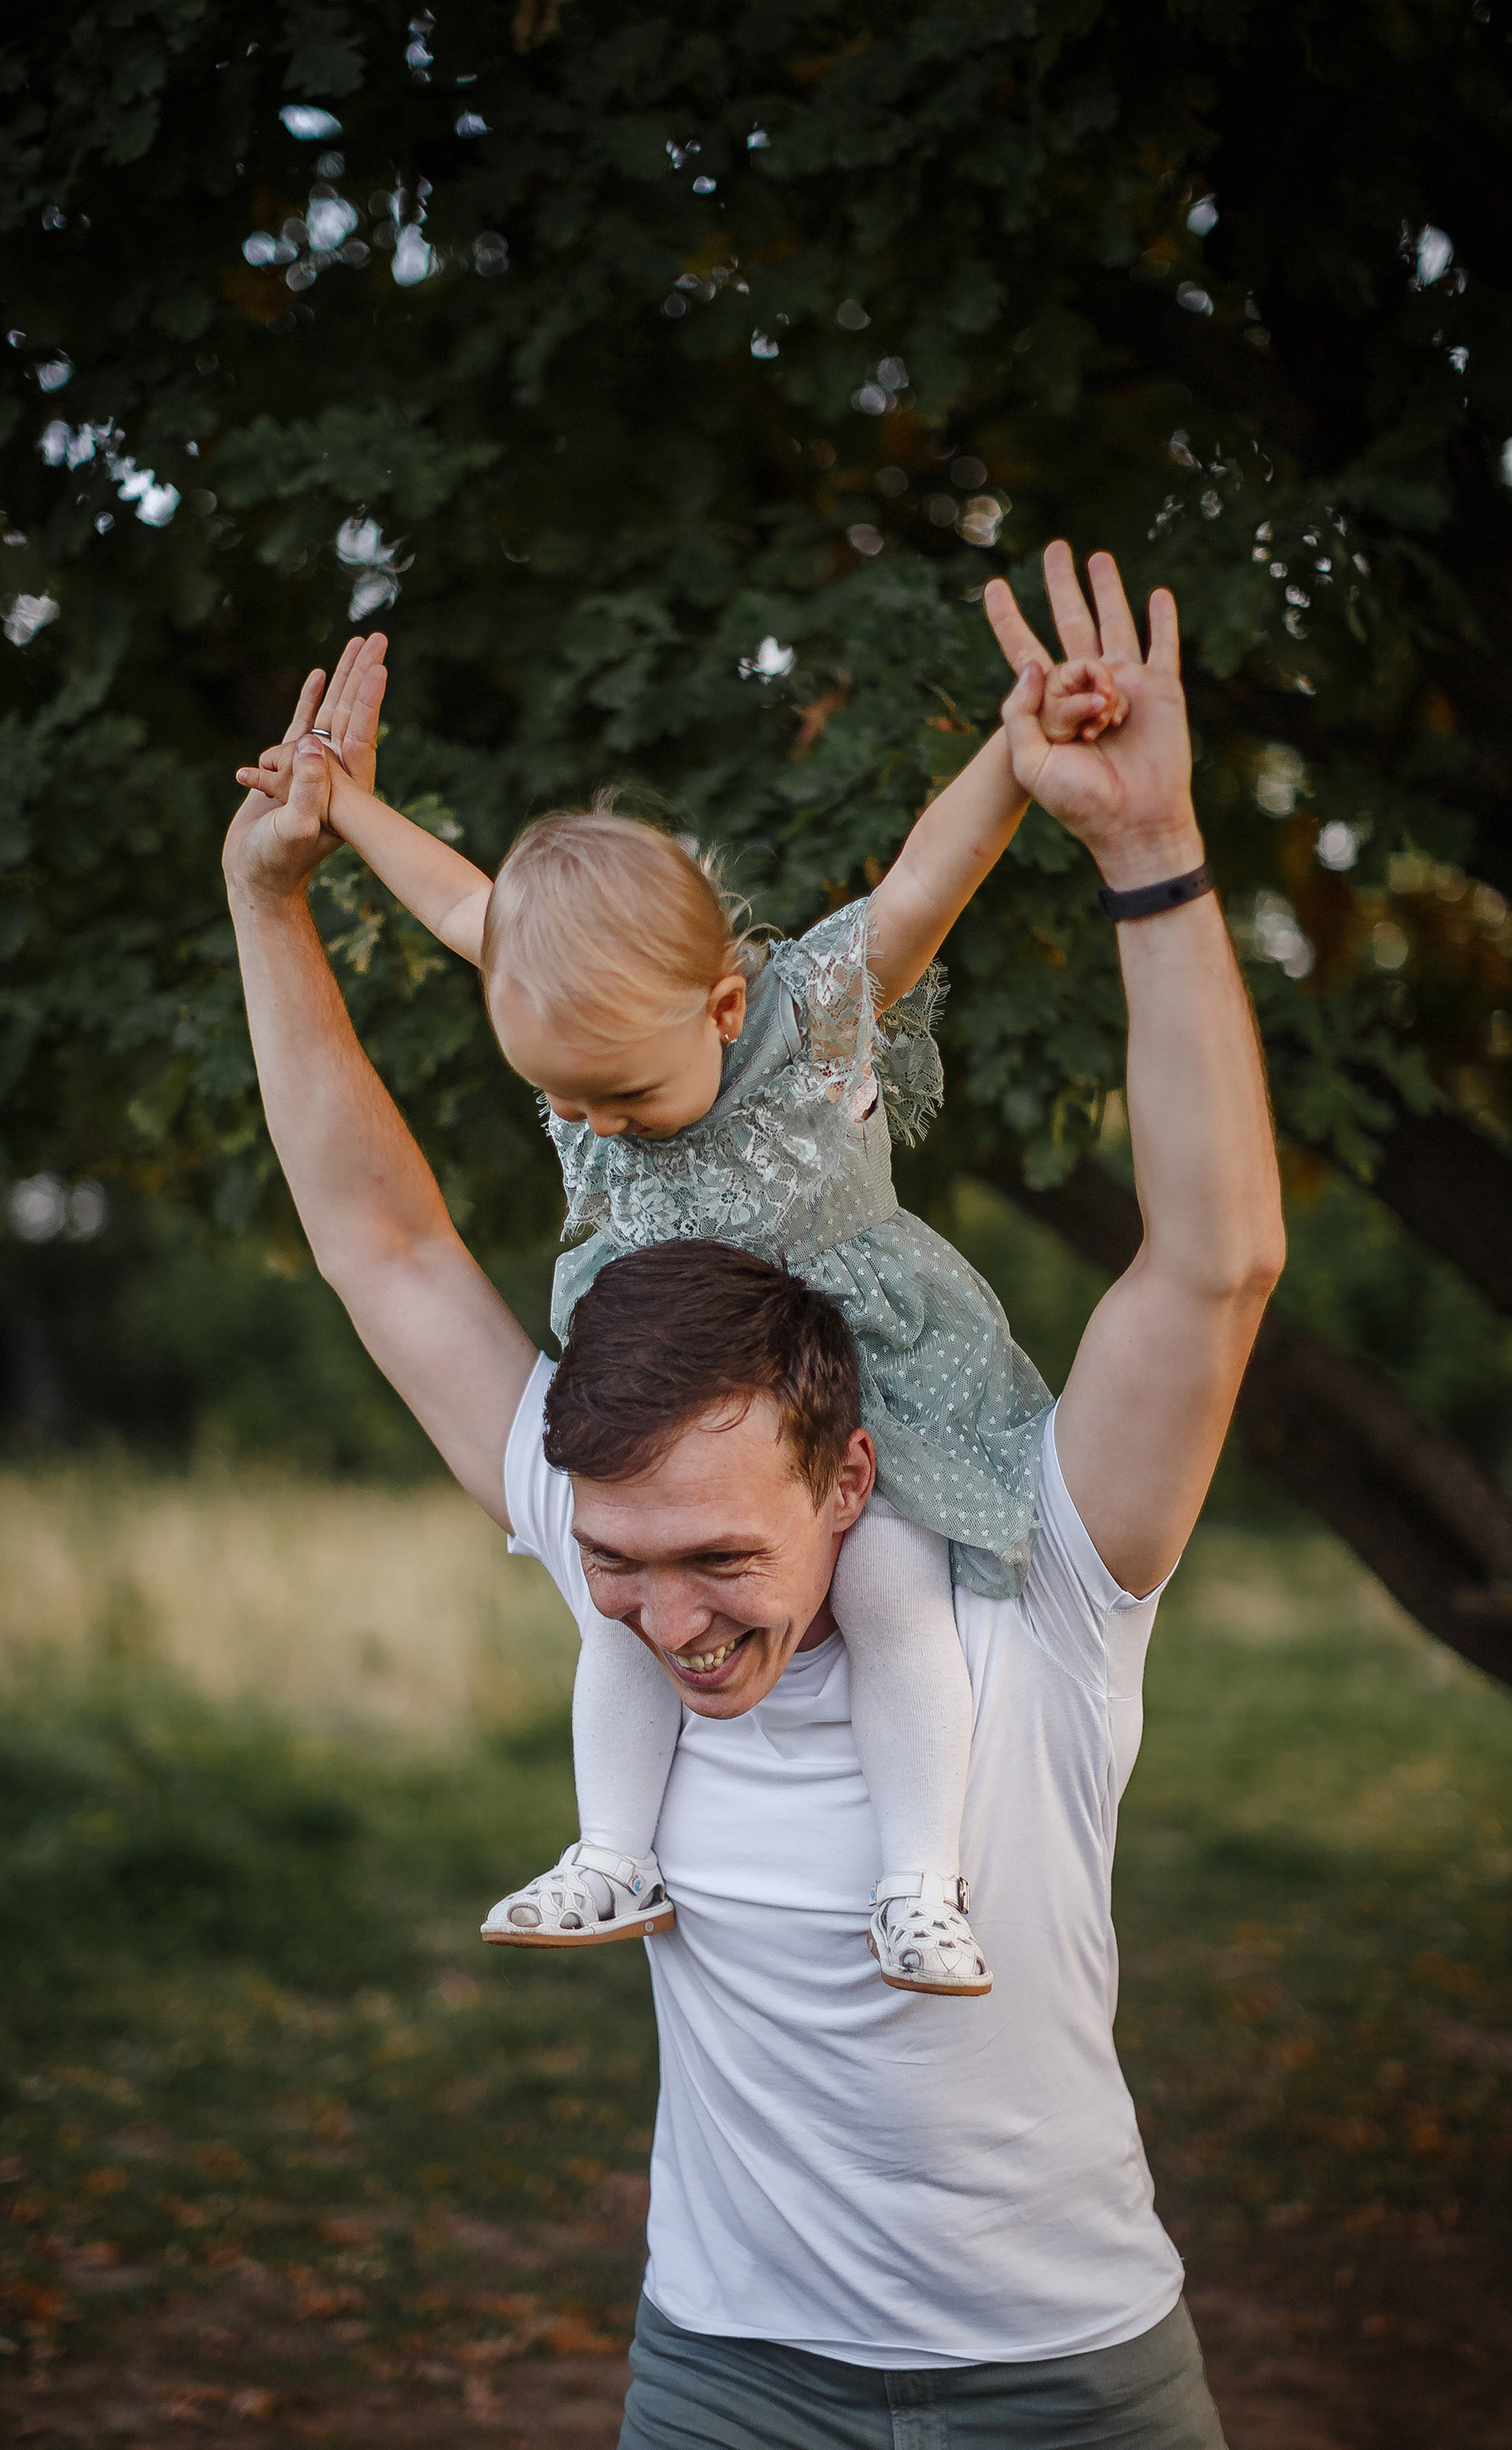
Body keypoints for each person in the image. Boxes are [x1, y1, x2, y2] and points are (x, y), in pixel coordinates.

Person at [224, 544, 1283, 2447]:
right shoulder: (612, 1522)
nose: (669, 1618)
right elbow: (385, 1245)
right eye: (615, 1569)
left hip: (1065, 2386)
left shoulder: (1023, 1561)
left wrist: (1147, 854)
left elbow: (1209, 1265)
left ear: (850, 1477)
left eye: (722, 1561)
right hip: (724, 2381)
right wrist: (276, 899)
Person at [235, 632, 1125, 1997]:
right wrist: (340, 806)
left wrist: (1015, 756)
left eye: (623, 1100)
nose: (595, 1129)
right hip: (663, 1378)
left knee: (889, 1583)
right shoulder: (578, 1001)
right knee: (624, 1612)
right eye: (569, 1103)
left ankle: (920, 1886)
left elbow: (924, 884)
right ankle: (612, 1850)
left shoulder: (812, 1015)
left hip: (849, 1376)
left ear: (720, 1006)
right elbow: (472, 909)